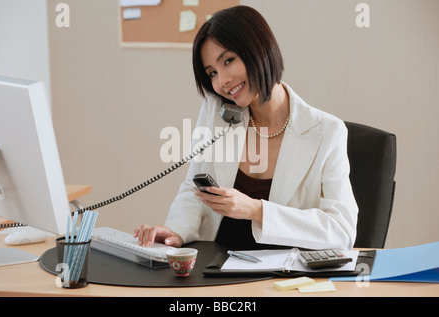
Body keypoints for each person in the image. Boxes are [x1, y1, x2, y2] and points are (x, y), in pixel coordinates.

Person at [135, 6, 358, 251]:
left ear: (258, 49)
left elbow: (342, 231)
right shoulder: (218, 112)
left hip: (281, 278)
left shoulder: (327, 132)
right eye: (212, 73)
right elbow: (193, 188)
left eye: (228, 61)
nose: (222, 82)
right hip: (214, 270)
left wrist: (257, 210)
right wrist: (176, 231)